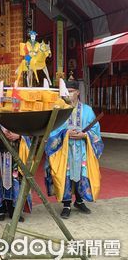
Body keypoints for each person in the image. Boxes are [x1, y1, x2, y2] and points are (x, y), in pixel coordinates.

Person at [45, 78, 103, 219]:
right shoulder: (59, 110)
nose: (68, 94)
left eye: (71, 92)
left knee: (82, 174)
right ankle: (66, 204)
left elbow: (95, 131)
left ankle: (79, 200)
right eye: (66, 92)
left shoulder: (87, 110)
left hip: (82, 149)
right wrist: (66, 133)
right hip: (64, 150)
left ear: (77, 92)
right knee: (66, 175)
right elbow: (51, 131)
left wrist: (85, 135)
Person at [0, 129, 32, 222]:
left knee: (16, 180)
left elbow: (29, 130)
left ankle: (15, 210)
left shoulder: (20, 114)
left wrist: (19, 136)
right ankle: (0, 209)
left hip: (17, 151)